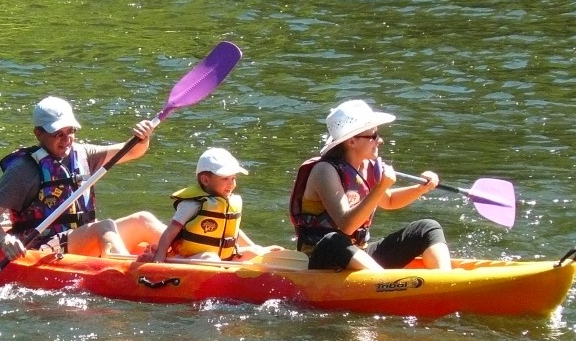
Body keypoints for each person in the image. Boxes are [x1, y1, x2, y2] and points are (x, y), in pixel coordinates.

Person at [0, 95, 166, 260]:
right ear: (38, 133)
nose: (66, 139)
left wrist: (143, 138)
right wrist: (5, 240)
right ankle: (130, 276)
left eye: (70, 131)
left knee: (143, 219)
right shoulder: (23, 170)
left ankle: (190, 253)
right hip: (41, 245)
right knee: (104, 227)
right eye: (58, 133)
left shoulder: (83, 153)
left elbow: (132, 152)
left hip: (80, 237)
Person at [289, 99, 452, 271]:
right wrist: (380, 186)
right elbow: (347, 225)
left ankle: (446, 282)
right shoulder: (325, 171)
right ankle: (386, 284)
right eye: (373, 136)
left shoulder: (366, 166)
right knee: (333, 240)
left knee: (428, 228)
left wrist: (421, 189)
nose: (379, 140)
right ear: (351, 142)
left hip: (358, 255)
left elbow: (389, 201)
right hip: (323, 258)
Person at [146, 147, 281, 263]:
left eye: (233, 178)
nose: (232, 184)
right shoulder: (192, 204)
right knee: (211, 258)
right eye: (225, 179)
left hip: (222, 257)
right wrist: (159, 258)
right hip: (189, 258)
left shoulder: (226, 203)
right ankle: (170, 261)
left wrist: (256, 247)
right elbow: (170, 232)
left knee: (255, 252)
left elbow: (232, 232)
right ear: (205, 180)